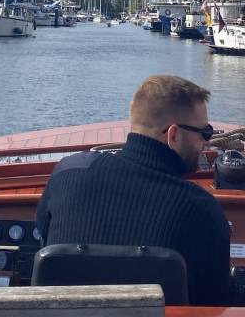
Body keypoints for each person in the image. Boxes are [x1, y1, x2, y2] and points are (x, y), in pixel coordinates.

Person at [35, 75, 231, 305]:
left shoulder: (67, 173)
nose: (207, 142)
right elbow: (214, 305)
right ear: (173, 135)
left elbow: (43, 240)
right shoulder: (202, 209)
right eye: (205, 133)